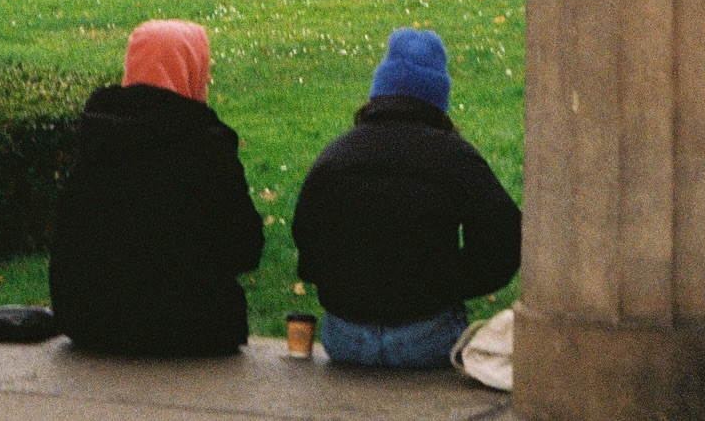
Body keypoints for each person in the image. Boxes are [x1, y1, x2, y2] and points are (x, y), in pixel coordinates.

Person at [291, 28, 521, 370]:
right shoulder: (455, 157)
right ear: (438, 98)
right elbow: (504, 237)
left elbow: (307, 238)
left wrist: (340, 283)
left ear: (378, 91)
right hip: (425, 335)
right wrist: (450, 281)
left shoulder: (336, 155)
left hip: (345, 337)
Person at [50, 19, 263, 356]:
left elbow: (67, 235)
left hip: (92, 323)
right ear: (194, 70)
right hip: (189, 329)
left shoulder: (99, 137)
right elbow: (246, 248)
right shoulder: (206, 148)